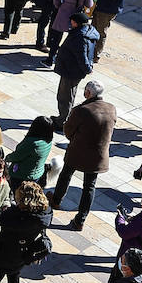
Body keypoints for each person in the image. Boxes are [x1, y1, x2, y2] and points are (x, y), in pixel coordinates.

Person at [50, 79, 116, 231]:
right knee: (89, 187)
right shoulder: (112, 108)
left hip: (77, 152)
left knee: (66, 174)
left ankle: (56, 200)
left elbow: (68, 130)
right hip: (98, 156)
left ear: (87, 93)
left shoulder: (81, 110)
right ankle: (80, 220)